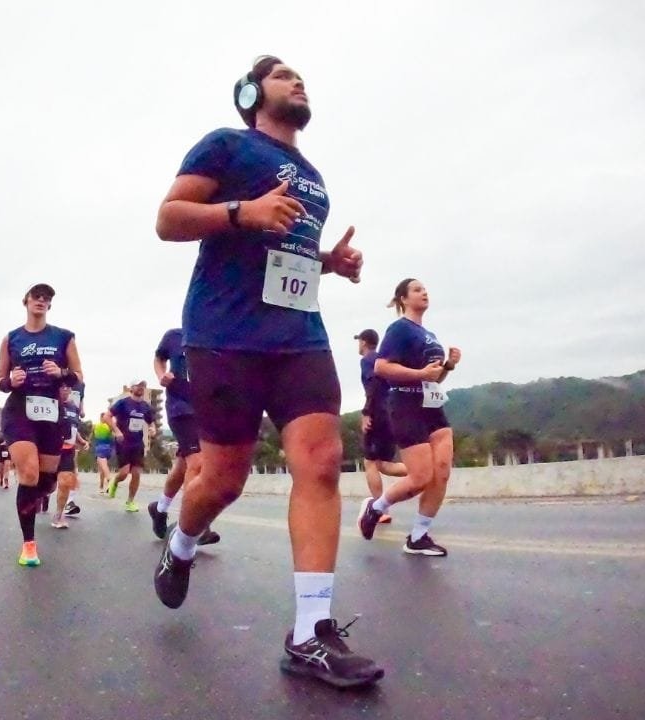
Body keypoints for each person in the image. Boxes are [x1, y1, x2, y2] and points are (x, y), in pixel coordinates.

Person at [151, 55, 382, 688]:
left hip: (298, 335)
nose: (298, 81)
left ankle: (310, 632)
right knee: (223, 478)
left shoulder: (314, 177)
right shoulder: (225, 144)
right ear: (252, 93)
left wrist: (329, 261)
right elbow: (168, 218)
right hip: (224, 333)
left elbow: (287, 250)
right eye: (282, 75)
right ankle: (181, 543)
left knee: (320, 458)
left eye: (300, 75)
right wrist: (240, 212)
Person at [357, 278, 461, 557]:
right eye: (417, 289)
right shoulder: (399, 329)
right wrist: (419, 375)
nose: (424, 292)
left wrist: (448, 365)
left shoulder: (428, 333)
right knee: (420, 477)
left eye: (425, 288)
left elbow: (434, 376)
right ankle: (375, 508)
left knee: (442, 471)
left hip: (432, 405)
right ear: (403, 299)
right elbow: (381, 367)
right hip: (405, 404)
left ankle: (418, 536)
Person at [0, 282, 84, 567]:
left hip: (50, 411)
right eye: (37, 296)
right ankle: (29, 545)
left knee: (46, 481)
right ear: (27, 301)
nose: (41, 301)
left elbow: (78, 377)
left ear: (50, 305)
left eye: (47, 298)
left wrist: (61, 373)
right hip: (19, 409)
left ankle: (36, 499)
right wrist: (11, 381)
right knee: (29, 473)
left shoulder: (64, 337)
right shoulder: (11, 339)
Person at [148, 327, 219, 544]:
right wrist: (161, 376)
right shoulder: (175, 336)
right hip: (181, 409)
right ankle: (194, 527)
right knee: (197, 464)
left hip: (206, 411)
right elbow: (159, 358)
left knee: (183, 467)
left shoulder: (218, 337)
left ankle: (159, 509)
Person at [355, 329, 407, 523]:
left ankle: (379, 509)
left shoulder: (368, 360)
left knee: (369, 462)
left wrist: (367, 412)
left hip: (378, 412)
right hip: (392, 411)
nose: (358, 345)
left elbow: (373, 385)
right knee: (384, 465)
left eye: (359, 341)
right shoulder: (386, 360)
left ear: (364, 342)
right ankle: (423, 472)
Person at [107, 380, 155, 512]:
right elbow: (107, 416)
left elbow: (151, 422)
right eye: (138, 385)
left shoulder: (146, 406)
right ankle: (115, 482)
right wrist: (116, 431)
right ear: (131, 388)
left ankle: (130, 501)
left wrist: (152, 429)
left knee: (136, 473)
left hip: (138, 443)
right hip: (123, 442)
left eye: (143, 386)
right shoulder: (123, 403)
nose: (141, 388)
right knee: (124, 473)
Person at [51, 382, 88, 529]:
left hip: (68, 450)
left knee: (65, 483)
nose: (65, 389)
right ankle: (41, 498)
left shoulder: (74, 407)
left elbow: (74, 428)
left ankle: (59, 515)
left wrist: (81, 440)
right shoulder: (51, 405)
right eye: (62, 386)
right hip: (51, 450)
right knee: (46, 484)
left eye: (68, 387)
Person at [91, 411, 115, 493]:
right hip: (108, 449)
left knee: (104, 467)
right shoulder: (110, 426)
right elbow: (113, 436)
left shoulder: (96, 426)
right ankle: (101, 486)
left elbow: (92, 436)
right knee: (102, 468)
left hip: (100, 449)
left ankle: (110, 481)